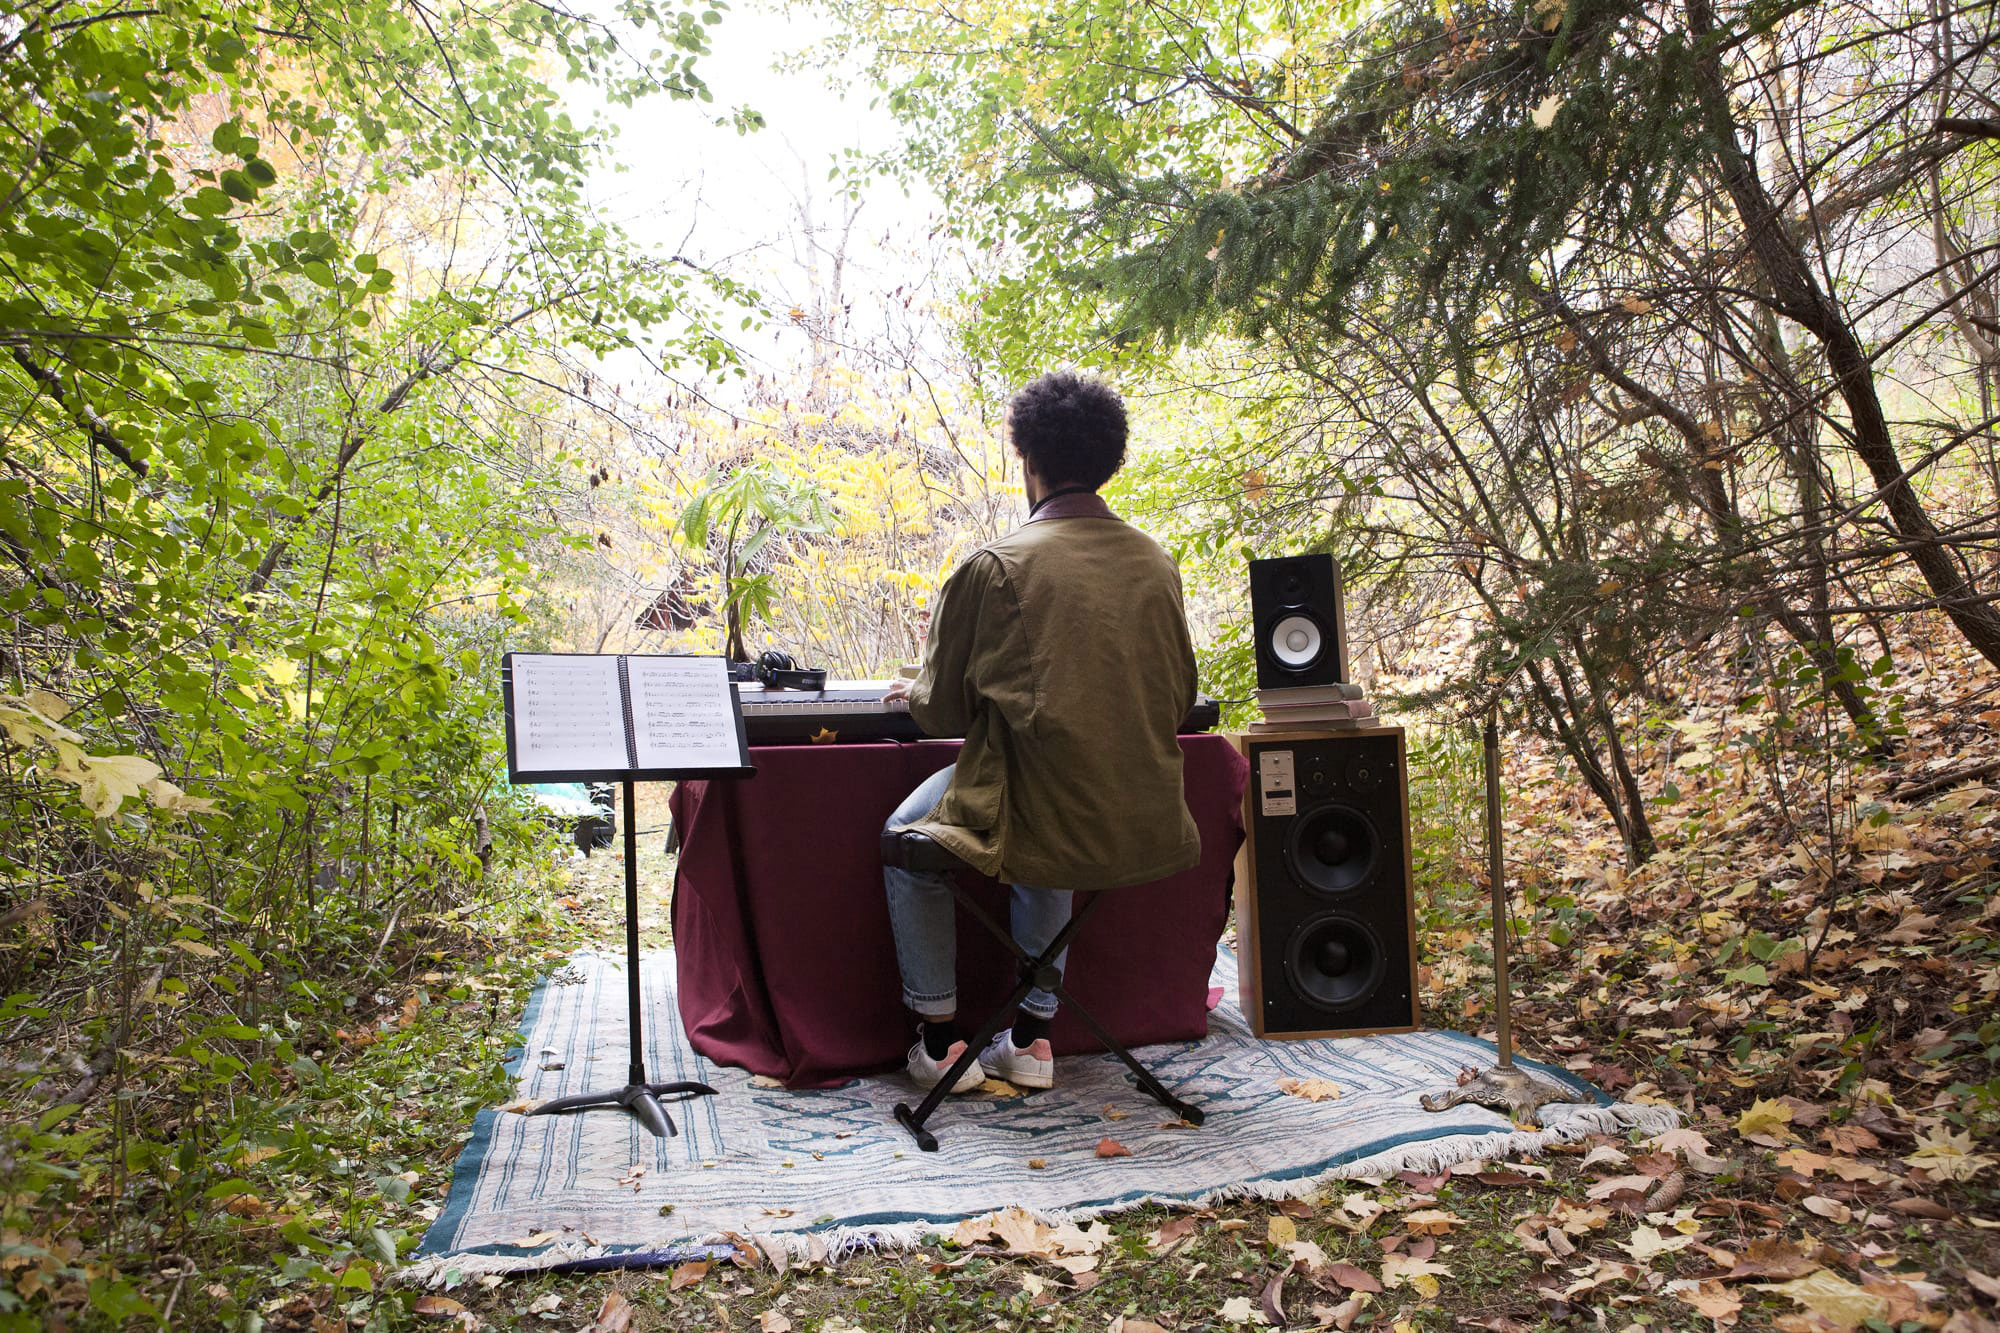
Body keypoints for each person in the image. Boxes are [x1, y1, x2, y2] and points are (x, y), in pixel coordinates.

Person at [881, 371, 1200, 1092]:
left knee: (905, 839)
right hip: (1144, 815)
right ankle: (1031, 1038)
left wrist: (918, 686)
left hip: (1042, 808)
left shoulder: (995, 566)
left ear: (1027, 461)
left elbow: (941, 714)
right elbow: (1179, 696)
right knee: (1052, 820)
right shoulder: (1156, 562)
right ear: (1110, 460)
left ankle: (940, 1043)